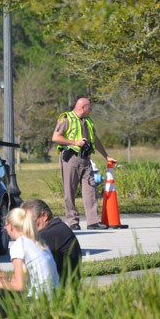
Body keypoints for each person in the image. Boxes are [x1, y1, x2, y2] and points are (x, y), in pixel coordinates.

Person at [52, 97, 117, 230]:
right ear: (82, 107)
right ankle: (72, 221)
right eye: (89, 107)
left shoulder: (88, 120)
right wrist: (75, 142)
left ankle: (93, 221)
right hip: (70, 158)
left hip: (86, 159)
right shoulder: (66, 118)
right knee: (69, 190)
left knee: (90, 188)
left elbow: (95, 140)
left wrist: (107, 156)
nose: (91, 109)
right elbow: (56, 137)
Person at [21, 198, 81, 284]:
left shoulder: (49, 234)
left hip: (61, 291)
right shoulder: (57, 227)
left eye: (31, 222)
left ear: (44, 216)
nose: (28, 227)